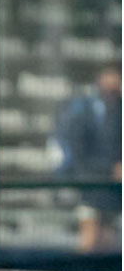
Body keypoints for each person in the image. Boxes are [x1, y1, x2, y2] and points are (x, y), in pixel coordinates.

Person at [53, 63, 122, 252]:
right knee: (88, 240)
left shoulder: (119, 113)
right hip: (89, 188)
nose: (113, 86)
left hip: (113, 193)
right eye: (108, 80)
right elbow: (78, 154)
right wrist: (110, 169)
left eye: (117, 82)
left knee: (108, 241)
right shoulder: (83, 111)